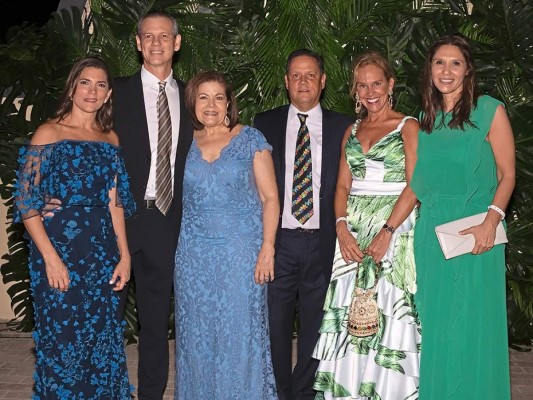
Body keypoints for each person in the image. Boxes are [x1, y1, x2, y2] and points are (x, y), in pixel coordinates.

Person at [13, 56, 136, 398]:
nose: (92, 91)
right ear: (72, 87)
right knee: (63, 344)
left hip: (101, 251)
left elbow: (116, 202)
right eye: (85, 82)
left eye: (100, 85)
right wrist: (51, 258)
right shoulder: (48, 133)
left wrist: (124, 256)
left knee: (102, 342)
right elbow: (26, 202)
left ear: (109, 93)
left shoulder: (110, 139)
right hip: (58, 250)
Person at [312, 51, 421, 399]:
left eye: (377, 83)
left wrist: (388, 231)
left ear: (390, 85)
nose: (370, 91)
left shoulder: (409, 126)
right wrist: (341, 227)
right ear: (354, 91)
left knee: (389, 308)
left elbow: (416, 183)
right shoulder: (352, 129)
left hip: (394, 227)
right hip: (352, 232)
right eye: (363, 85)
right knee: (348, 311)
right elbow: (342, 185)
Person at [411, 34, 514, 399]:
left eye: (455, 63)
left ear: (468, 70)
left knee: (473, 325)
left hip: (475, 232)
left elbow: (508, 174)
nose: (447, 70)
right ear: (430, 69)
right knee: (437, 325)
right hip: (432, 236)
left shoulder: (489, 110)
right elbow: (417, 183)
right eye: (440, 62)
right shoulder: (426, 118)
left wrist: (492, 221)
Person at [254, 48, 353, 400]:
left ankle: (304, 394)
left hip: (324, 240)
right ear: (286, 81)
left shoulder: (344, 126)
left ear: (323, 81)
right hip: (278, 242)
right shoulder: (263, 123)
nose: (303, 81)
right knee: (275, 326)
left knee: (316, 327)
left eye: (310, 74)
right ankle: (280, 392)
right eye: (296, 75)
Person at [173, 70, 279, 398]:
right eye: (203, 97)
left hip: (240, 252)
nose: (211, 104)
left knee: (241, 335)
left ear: (229, 102)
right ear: (192, 101)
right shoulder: (181, 141)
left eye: (219, 97)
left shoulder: (250, 138)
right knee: (195, 337)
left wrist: (268, 248)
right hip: (192, 255)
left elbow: (270, 198)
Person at [112, 11, 193, 399]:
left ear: (176, 43)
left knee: (156, 322)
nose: (157, 43)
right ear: (138, 42)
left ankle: (150, 394)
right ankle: (104, 388)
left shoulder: (194, 97)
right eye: (149, 36)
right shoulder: (115, 90)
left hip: (165, 219)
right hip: (118, 218)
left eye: (164, 36)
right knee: (107, 316)